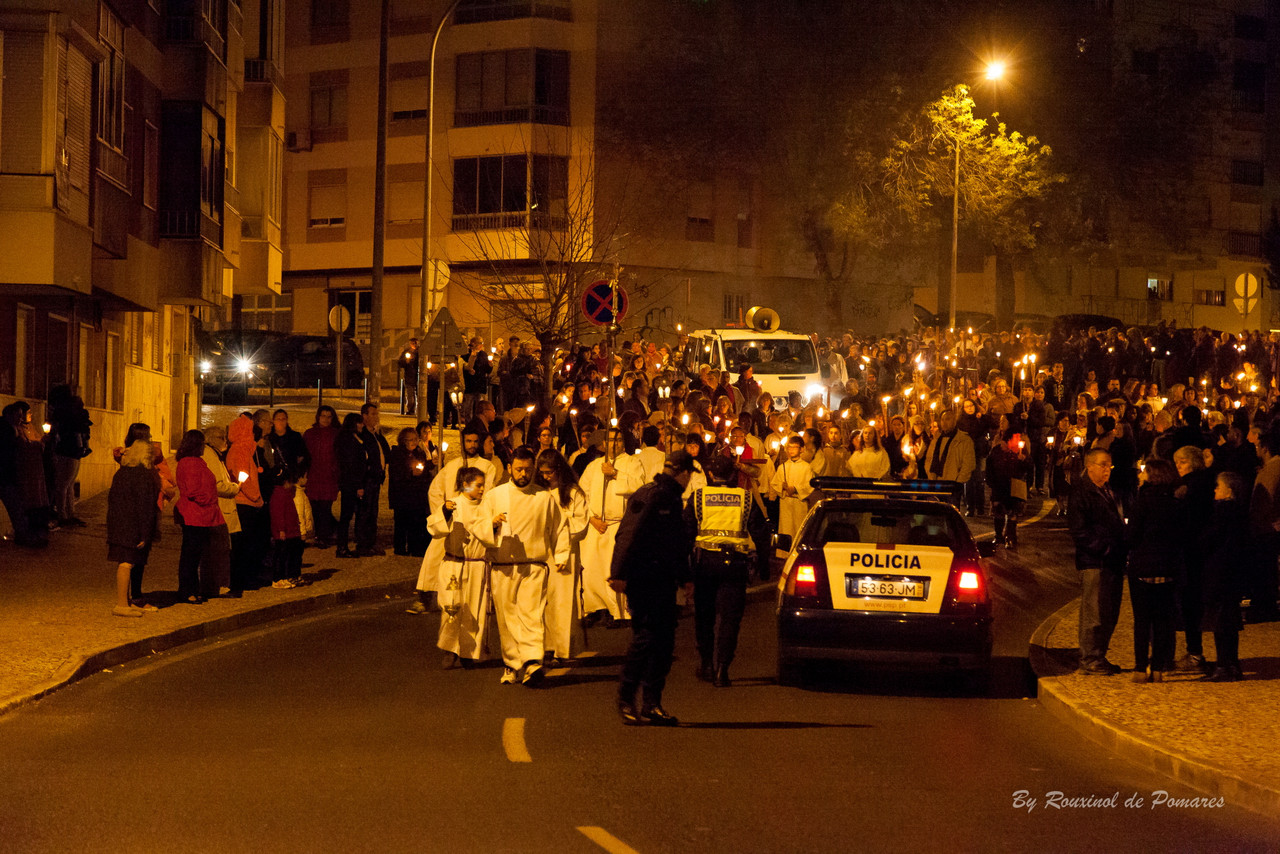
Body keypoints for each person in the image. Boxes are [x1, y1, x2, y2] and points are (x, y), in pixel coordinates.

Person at [610, 450, 696, 726]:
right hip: (643, 578)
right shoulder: (652, 496)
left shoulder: (670, 498)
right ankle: (626, 699)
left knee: (664, 642)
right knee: (645, 638)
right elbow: (628, 535)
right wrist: (619, 573)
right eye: (689, 474)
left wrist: (685, 578)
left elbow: (676, 545)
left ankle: (651, 703)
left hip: (663, 579)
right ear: (683, 473)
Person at [468, 447, 568, 686]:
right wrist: (491, 525)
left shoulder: (543, 498)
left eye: (527, 469)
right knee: (507, 617)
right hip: (503, 565)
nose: (523, 473)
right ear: (510, 468)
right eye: (519, 469)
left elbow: (559, 527)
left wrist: (561, 553)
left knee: (530, 614)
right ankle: (512, 664)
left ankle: (533, 661)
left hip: (533, 566)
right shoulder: (495, 496)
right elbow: (477, 524)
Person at [688, 454, 768, 687]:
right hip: (735, 564)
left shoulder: (699, 497)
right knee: (730, 619)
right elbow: (761, 534)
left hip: (705, 563)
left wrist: (682, 571)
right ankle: (723, 669)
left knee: (705, 617)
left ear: (711, 474)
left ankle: (706, 664)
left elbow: (684, 532)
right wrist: (763, 566)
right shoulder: (745, 498)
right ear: (734, 474)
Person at [411, 420, 499, 614]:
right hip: (451, 519)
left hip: (474, 522)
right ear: (463, 442)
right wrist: (443, 513)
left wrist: (475, 512)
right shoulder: (452, 466)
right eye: (468, 441)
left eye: (475, 441)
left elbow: (488, 493)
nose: (472, 445)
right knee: (434, 555)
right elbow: (435, 490)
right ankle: (426, 598)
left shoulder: (487, 467)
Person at [1068, 449, 1127, 675]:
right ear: (1089, 465)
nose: (1106, 470)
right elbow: (1079, 531)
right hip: (1095, 561)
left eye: (1109, 466)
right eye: (1102, 465)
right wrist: (1106, 549)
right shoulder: (1082, 493)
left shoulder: (1108, 490)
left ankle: (1099, 654)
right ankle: (1090, 657)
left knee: (1110, 611)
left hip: (1112, 561)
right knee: (1095, 612)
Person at [1125, 458, 1182, 683]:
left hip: (1143, 567)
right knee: (1162, 619)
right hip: (1167, 567)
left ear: (1152, 476)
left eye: (1144, 472)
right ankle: (1158, 667)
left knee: (1142, 619)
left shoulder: (1142, 502)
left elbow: (1131, 536)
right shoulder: (1175, 503)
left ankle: (1140, 668)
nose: (1140, 475)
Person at [580, 429, 644, 627]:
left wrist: (616, 474)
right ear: (604, 444)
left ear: (623, 443)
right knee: (591, 569)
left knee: (614, 570)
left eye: (617, 440)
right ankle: (595, 608)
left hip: (619, 524)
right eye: (609, 440)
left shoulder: (632, 462)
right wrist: (591, 518)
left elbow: (639, 486)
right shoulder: (594, 466)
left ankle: (618, 612)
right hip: (596, 524)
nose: (613, 444)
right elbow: (583, 493)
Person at [430, 466, 494, 667]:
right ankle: (450, 649)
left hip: (476, 565)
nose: (483, 489)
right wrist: (445, 513)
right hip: (455, 564)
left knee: (474, 609)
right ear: (465, 485)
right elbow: (435, 528)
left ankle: (468, 651)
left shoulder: (487, 506)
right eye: (478, 485)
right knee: (452, 608)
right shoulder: (454, 505)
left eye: (484, 485)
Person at [538, 449, 590, 661]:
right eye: (542, 473)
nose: (545, 477)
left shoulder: (573, 493)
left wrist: (560, 528)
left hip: (566, 552)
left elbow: (581, 524)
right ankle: (544, 647)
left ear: (558, 470)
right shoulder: (538, 492)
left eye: (549, 472)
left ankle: (562, 648)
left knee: (562, 602)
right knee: (543, 602)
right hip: (541, 551)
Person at [1200, 471, 1249, 681]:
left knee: (1219, 619)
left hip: (1218, 570)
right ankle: (1233, 663)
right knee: (1230, 616)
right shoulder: (1241, 512)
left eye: (1218, 487)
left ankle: (1222, 664)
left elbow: (1210, 538)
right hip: (1234, 570)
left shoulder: (1221, 512)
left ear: (1228, 491)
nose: (1215, 490)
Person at [105, 439, 161, 616]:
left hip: (119, 523)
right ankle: (122, 604)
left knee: (125, 562)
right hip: (133, 526)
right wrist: (146, 533)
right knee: (127, 563)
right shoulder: (143, 475)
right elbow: (145, 506)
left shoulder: (122, 473)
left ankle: (126, 601)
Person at [175, 430, 231, 604]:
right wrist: (208, 499)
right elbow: (192, 490)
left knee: (195, 555)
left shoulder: (196, 462)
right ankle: (187, 591)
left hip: (201, 515)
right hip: (194, 515)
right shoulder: (190, 463)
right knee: (190, 556)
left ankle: (193, 588)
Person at [200, 425, 244, 597]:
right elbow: (218, 485)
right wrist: (235, 487)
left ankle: (216, 584)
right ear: (211, 439)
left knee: (219, 549)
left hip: (220, 509)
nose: (225, 441)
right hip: (220, 509)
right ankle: (220, 585)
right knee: (220, 550)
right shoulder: (210, 455)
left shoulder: (214, 455)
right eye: (221, 437)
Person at [227, 413, 269, 590]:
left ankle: (244, 579)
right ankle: (241, 581)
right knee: (244, 545)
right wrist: (257, 497)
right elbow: (243, 478)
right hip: (245, 503)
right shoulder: (241, 451)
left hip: (246, 501)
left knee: (245, 545)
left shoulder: (241, 449)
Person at [46, 384, 92, 527]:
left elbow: (57, 429)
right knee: (68, 483)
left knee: (63, 484)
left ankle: (64, 515)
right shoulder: (75, 412)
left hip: (66, 449)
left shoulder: (62, 412)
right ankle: (67, 514)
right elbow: (84, 429)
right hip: (75, 449)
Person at [388, 426, 433, 557]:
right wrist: (410, 473)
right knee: (401, 522)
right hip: (402, 494)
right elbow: (396, 474)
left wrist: (430, 465)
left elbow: (423, 467)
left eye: (415, 439)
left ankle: (415, 547)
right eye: (410, 440)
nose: (414, 442)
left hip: (416, 494)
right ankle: (400, 548)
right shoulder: (397, 454)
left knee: (416, 521)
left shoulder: (419, 452)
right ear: (403, 441)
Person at [354, 402, 391, 557]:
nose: (376, 417)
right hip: (366, 479)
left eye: (377, 414)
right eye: (373, 414)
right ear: (365, 415)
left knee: (372, 512)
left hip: (376, 479)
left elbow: (385, 451)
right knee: (364, 512)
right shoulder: (362, 435)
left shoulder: (375, 433)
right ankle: (362, 544)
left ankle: (371, 542)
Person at [303, 406, 341, 547]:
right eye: (323, 416)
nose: (325, 419)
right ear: (318, 417)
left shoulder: (336, 434)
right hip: (314, 475)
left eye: (329, 416)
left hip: (329, 477)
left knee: (325, 508)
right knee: (315, 507)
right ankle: (325, 532)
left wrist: (336, 472)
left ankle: (323, 536)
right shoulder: (310, 434)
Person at [269, 470, 310, 589]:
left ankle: (283, 578)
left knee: (284, 555)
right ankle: (278, 579)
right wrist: (281, 530)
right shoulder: (280, 494)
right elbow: (278, 514)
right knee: (281, 556)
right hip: (283, 532)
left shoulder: (283, 493)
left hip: (288, 530)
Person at [770, 436, 815, 543]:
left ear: (801, 449)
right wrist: (783, 487)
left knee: (799, 528)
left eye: (795, 447)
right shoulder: (782, 467)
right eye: (789, 447)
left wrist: (795, 489)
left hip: (799, 502)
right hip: (786, 502)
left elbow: (809, 485)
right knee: (786, 528)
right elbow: (775, 483)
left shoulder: (806, 467)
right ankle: (784, 554)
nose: (791, 450)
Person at [334, 413, 366, 559]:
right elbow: (352, 465)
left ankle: (343, 546)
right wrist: (358, 486)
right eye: (359, 423)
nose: (362, 426)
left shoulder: (351, 438)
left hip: (349, 482)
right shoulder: (348, 441)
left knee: (347, 515)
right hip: (350, 483)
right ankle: (342, 547)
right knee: (346, 515)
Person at [461, 336, 491, 424]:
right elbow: (464, 367)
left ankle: (478, 423)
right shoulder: (466, 355)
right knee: (468, 408)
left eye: (482, 343)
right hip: (470, 385)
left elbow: (487, 370)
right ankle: (469, 424)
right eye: (479, 343)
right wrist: (469, 370)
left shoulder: (484, 355)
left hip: (480, 385)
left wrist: (490, 365)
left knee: (480, 407)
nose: (481, 345)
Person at [400, 337, 420, 416]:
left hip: (418, 378)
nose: (414, 344)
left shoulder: (420, 352)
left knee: (420, 396)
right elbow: (400, 363)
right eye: (412, 343)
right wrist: (406, 361)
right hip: (409, 377)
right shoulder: (406, 352)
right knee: (410, 396)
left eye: (415, 342)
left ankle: (419, 411)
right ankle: (410, 410)